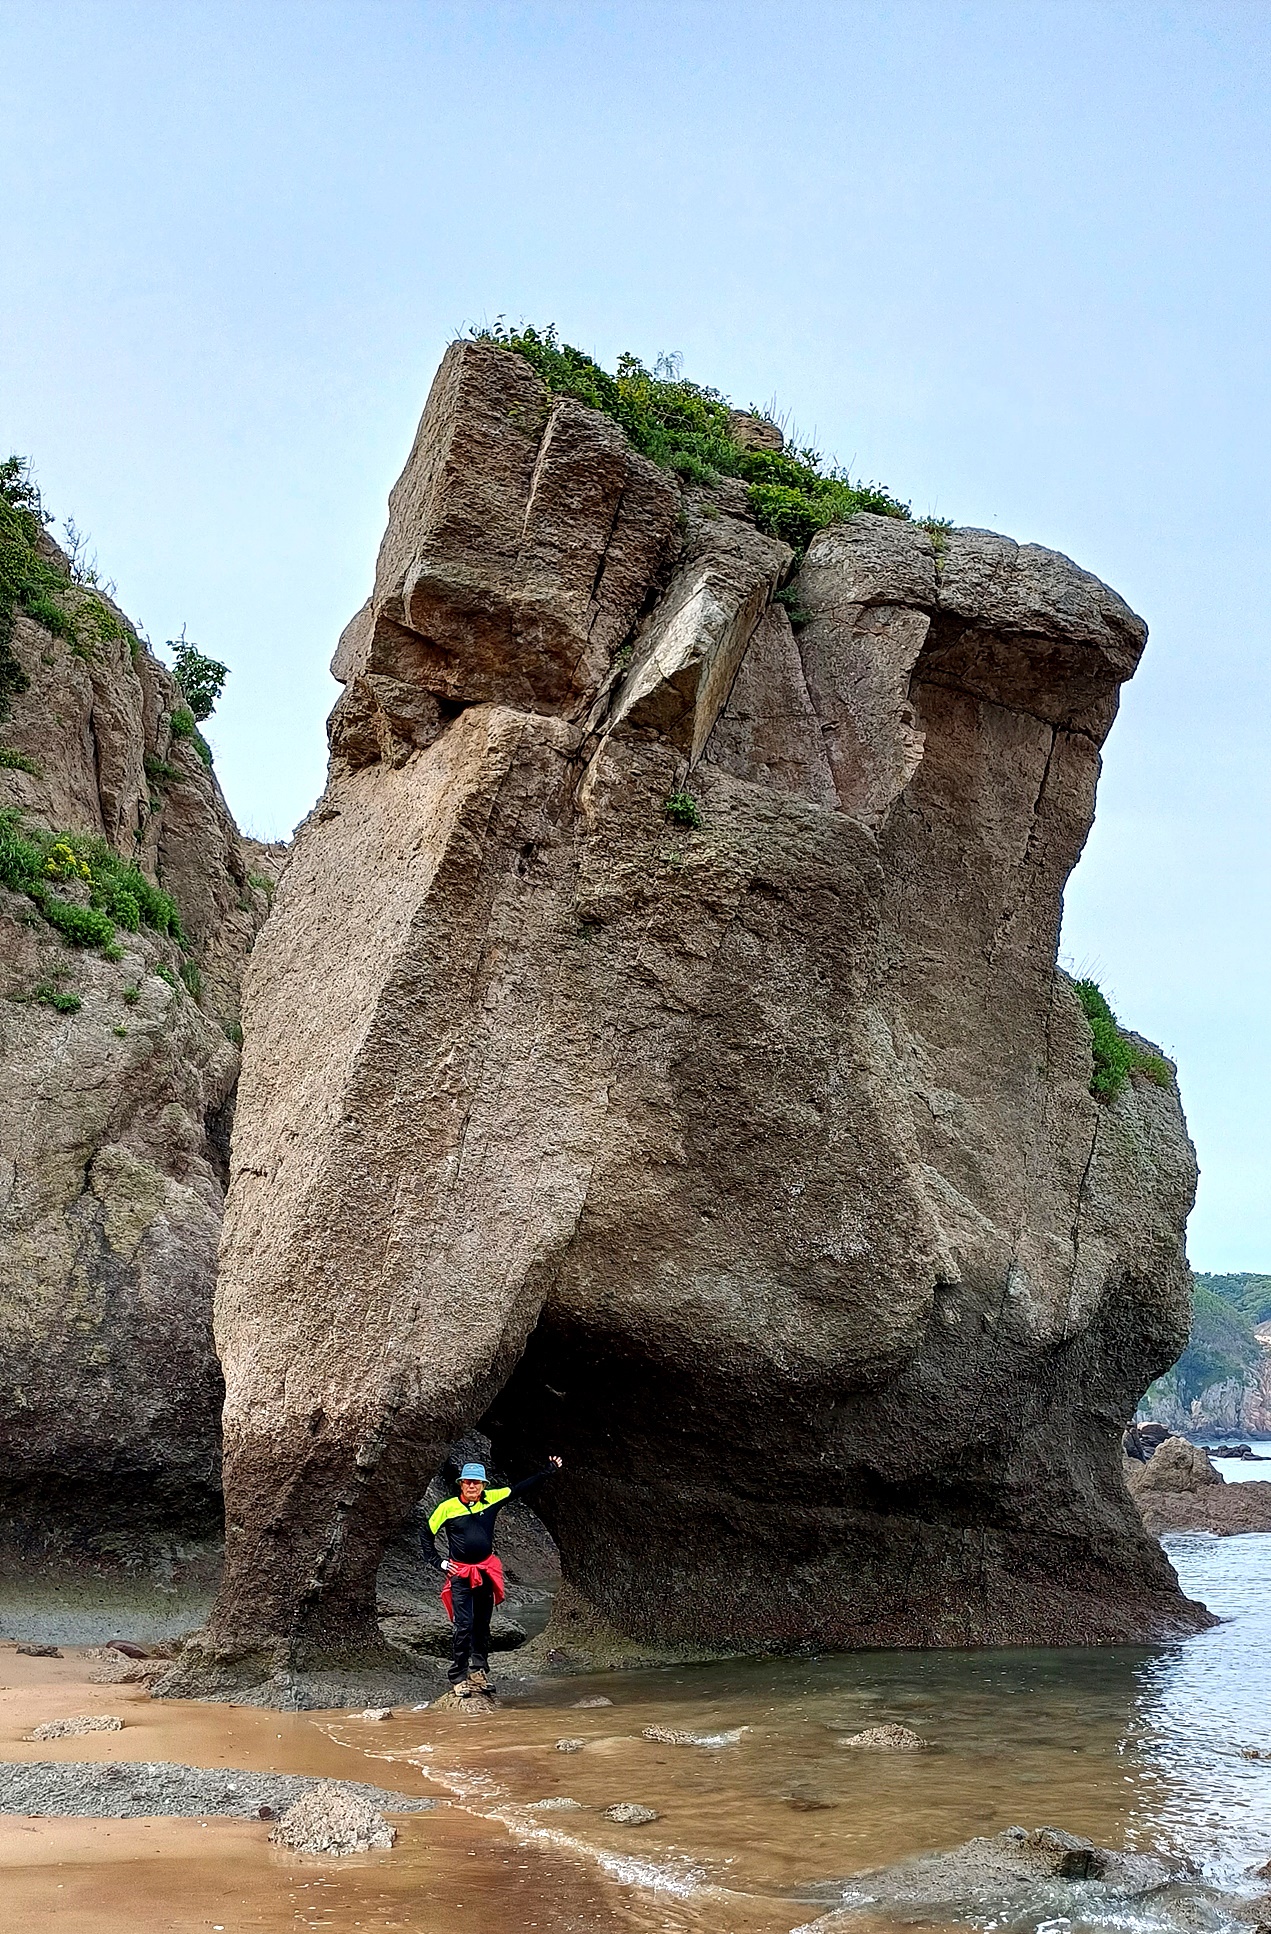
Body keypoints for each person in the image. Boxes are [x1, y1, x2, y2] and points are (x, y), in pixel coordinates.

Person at [427, 1455, 562, 1696]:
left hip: (485, 1572)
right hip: (460, 1573)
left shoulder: (492, 1499)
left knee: (482, 1625)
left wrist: (548, 1470)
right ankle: (459, 1677)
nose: (472, 1486)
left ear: (483, 1485)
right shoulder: (446, 1508)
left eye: (476, 1482)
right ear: (461, 1484)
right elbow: (426, 1535)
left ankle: (478, 1672)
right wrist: (440, 1563)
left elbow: (519, 1489)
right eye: (468, 1482)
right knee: (463, 1625)